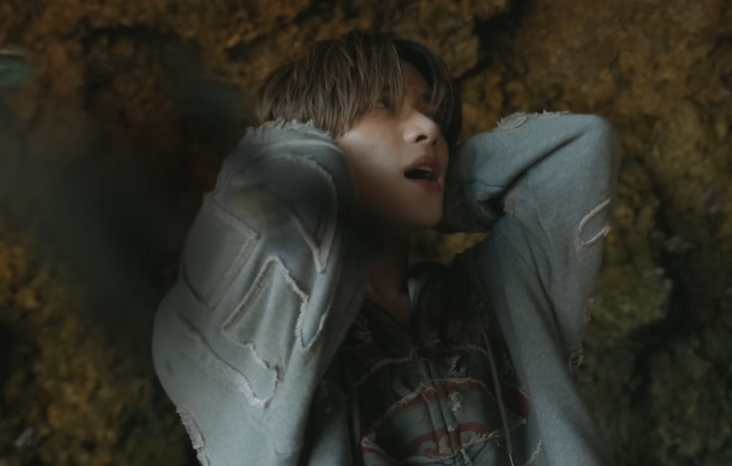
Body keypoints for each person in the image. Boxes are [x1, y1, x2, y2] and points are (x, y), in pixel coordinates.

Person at [151, 31, 621, 466]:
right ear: (313, 140)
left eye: (433, 114)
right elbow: (276, 188)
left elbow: (581, 149)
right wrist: (349, 182)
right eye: (383, 105)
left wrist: (425, 188)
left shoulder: (492, 293)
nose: (428, 128)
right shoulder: (242, 323)